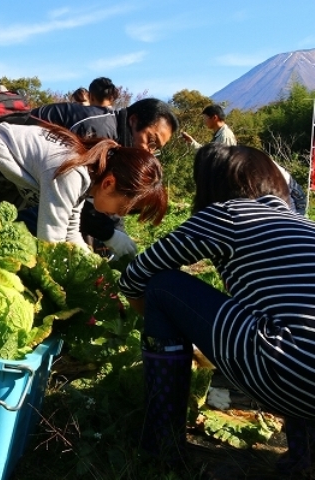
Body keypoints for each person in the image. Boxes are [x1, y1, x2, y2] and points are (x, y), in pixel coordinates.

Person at [118, 143, 315, 474]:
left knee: (163, 286)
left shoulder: (229, 212)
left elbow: (136, 275)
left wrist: (158, 323)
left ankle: (161, 447)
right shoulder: (304, 225)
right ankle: (303, 458)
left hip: (287, 373)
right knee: (295, 329)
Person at [0, 122, 168, 250]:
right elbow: (50, 241)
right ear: (109, 183)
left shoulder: (87, 170)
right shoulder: (73, 171)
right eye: (120, 210)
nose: (114, 215)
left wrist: (91, 267)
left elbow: (70, 232)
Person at [30, 97, 179, 257]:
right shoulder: (95, 131)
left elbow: (111, 196)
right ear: (134, 121)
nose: (149, 152)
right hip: (16, 184)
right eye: (150, 141)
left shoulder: (120, 144)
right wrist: (110, 235)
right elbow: (67, 193)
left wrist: (115, 232)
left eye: (155, 148)